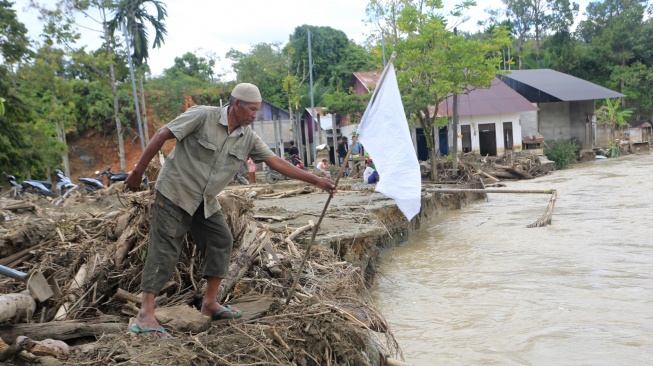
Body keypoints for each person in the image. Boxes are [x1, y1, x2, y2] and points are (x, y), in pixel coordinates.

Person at [124, 83, 336, 338]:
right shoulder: (203, 115)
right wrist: (137, 173)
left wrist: (317, 180)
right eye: (252, 110)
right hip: (174, 193)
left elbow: (276, 162)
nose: (255, 115)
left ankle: (209, 303)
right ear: (237, 104)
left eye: (257, 111)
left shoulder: (247, 137)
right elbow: (162, 134)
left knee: (221, 239)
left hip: (204, 200)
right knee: (165, 250)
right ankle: (145, 313)